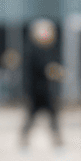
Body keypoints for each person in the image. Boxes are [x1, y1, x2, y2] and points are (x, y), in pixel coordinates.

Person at [20, 18, 64, 150]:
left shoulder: (53, 49)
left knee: (53, 117)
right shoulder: (30, 50)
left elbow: (55, 69)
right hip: (35, 91)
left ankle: (58, 142)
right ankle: (24, 141)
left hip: (48, 91)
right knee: (30, 117)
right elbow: (29, 73)